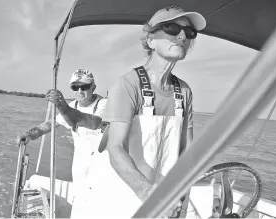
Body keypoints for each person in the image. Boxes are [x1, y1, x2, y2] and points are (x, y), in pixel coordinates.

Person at [52, 6, 206, 218]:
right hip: (126, 199)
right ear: (150, 40)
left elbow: (187, 153)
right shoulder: (127, 85)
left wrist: (180, 195)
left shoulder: (185, 92)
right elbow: (115, 148)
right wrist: (147, 192)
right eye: (172, 28)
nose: (182, 36)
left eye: (190, 33)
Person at [16, 69, 106, 216]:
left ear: (93, 87)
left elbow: (93, 122)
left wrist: (62, 106)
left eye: (84, 87)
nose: (79, 90)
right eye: (75, 87)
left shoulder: (103, 105)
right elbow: (50, 124)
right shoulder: (73, 106)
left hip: (101, 168)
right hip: (79, 167)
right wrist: (29, 135)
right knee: (80, 205)